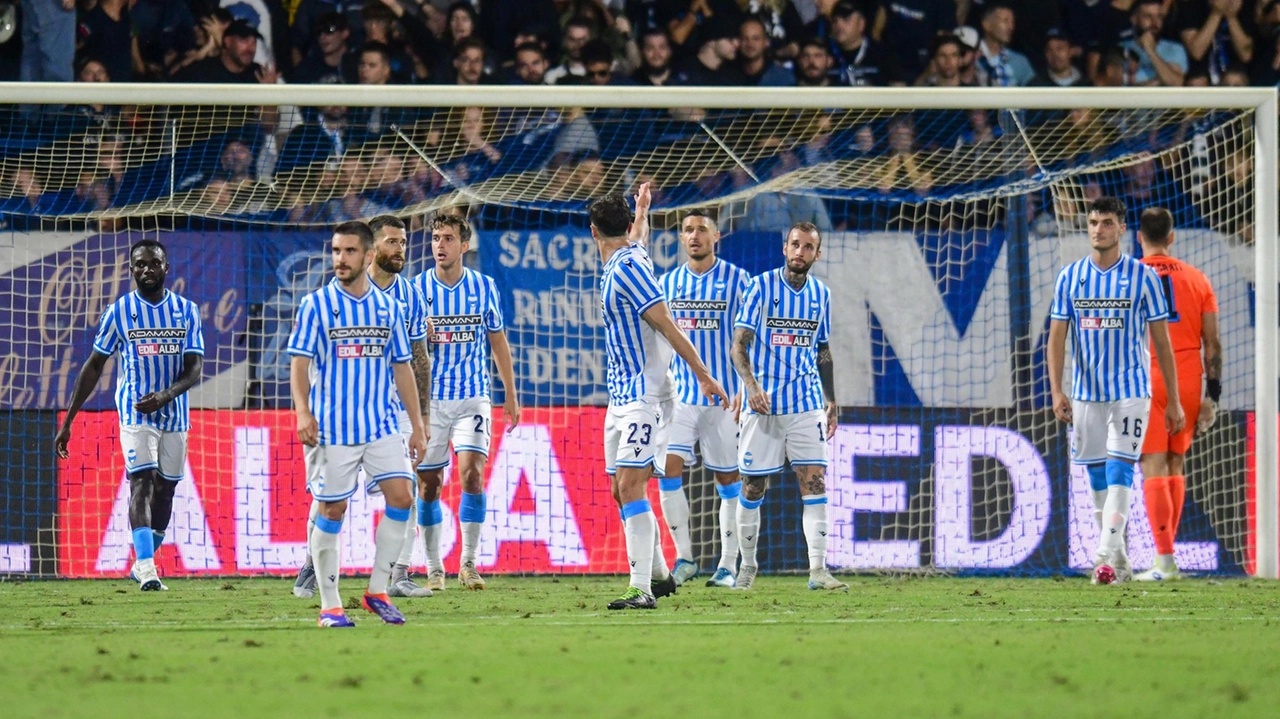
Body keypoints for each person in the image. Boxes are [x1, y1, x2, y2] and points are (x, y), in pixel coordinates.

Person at [592, 186, 730, 609]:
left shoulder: (628, 270)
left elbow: (668, 324)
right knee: (620, 490)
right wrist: (643, 210)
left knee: (633, 485)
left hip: (645, 397)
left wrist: (703, 376)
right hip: (622, 398)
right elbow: (641, 236)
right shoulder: (632, 254)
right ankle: (659, 576)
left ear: (593, 231)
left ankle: (641, 589)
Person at [286, 221, 427, 627]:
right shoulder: (316, 304)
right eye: (335, 251)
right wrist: (302, 412)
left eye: (348, 252)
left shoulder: (389, 308)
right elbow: (299, 363)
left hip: (381, 425)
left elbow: (403, 368)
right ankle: (330, 606)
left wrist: (417, 425)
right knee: (333, 506)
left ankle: (377, 590)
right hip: (333, 428)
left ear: (367, 256)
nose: (339, 259)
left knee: (402, 497)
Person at [1047, 197, 1184, 586]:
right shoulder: (1070, 277)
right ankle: (1120, 557)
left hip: (1131, 390)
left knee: (1120, 466)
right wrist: (1058, 390)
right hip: (1086, 393)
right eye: (1092, 223)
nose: (1098, 230)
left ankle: (1104, 555)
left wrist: (1171, 399)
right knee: (1095, 476)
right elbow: (1057, 339)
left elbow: (1162, 343)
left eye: (1107, 223)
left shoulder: (1144, 278)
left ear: (1122, 229)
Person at [55, 239, 205, 592]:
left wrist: (166, 395)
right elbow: (94, 365)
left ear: (166, 268)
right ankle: (149, 568)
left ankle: (141, 561)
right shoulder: (120, 311)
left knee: (166, 490)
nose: (146, 270)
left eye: (153, 264)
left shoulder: (186, 311)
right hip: (135, 413)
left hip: (174, 415)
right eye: (139, 265)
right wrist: (68, 422)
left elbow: (195, 368)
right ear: (131, 269)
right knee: (142, 482)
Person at [730, 222, 846, 593]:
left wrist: (831, 399)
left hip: (806, 404)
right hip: (763, 406)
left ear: (817, 253)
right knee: (752, 487)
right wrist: (750, 387)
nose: (800, 251)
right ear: (785, 248)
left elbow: (823, 350)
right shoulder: (761, 287)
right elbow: (739, 345)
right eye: (795, 244)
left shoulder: (821, 295)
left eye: (808, 247)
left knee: (814, 482)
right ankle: (747, 566)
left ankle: (818, 571)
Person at [410, 213, 522, 592]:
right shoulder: (415, 290)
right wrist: (416, 338)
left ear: (464, 245)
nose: (440, 245)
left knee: (472, 475)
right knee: (429, 486)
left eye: (447, 238)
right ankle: (432, 565)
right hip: (431, 402)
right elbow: (402, 349)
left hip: (473, 396)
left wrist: (510, 392)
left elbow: (497, 340)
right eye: (435, 238)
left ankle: (469, 563)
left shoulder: (483, 287)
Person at [658, 209, 751, 588]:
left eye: (701, 230)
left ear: (717, 237)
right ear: (681, 238)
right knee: (667, 471)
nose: (694, 235)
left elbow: (751, 340)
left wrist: (747, 386)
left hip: (725, 398)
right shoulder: (666, 284)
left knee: (729, 480)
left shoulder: (739, 281)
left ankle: (728, 565)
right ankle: (684, 558)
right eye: (687, 230)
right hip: (679, 397)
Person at [1134, 208, 1221, 582]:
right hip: (1187, 375)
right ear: (1171, 238)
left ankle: (1165, 561)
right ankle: (1167, 561)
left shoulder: (1128, 275)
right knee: (1174, 463)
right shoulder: (1198, 279)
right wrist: (1211, 397)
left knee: (1150, 464)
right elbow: (1212, 344)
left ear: (1138, 237)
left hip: (1146, 370)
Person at [174, 19, 276, 84]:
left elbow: (270, 118)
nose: (250, 49)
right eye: (244, 41)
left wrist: (269, 94)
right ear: (227, 41)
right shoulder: (204, 71)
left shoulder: (258, 74)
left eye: (254, 43)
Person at [1119, 0, 1187, 86]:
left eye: (1159, 17)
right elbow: (1118, 90)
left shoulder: (1175, 49)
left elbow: (1178, 84)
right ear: (1134, 19)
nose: (1155, 23)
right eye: (1148, 16)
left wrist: (1151, 51)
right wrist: (1157, 81)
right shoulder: (1120, 50)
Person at [974, 2, 1035, 86]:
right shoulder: (971, 58)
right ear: (987, 25)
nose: (1011, 27)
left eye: (1012, 22)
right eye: (1005, 21)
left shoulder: (1019, 61)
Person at [737, 15, 794, 86]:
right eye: (745, 39)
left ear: (766, 42)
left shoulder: (783, 79)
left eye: (756, 39)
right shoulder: (728, 77)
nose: (750, 44)